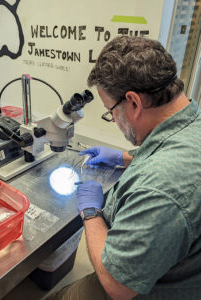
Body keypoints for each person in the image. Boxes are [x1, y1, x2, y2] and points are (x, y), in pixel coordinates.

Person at [45, 35, 201, 299]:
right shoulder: (191, 118)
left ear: (134, 102)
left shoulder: (160, 188)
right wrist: (123, 158)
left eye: (111, 112)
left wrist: (91, 212)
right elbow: (168, 149)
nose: (114, 119)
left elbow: (118, 285)